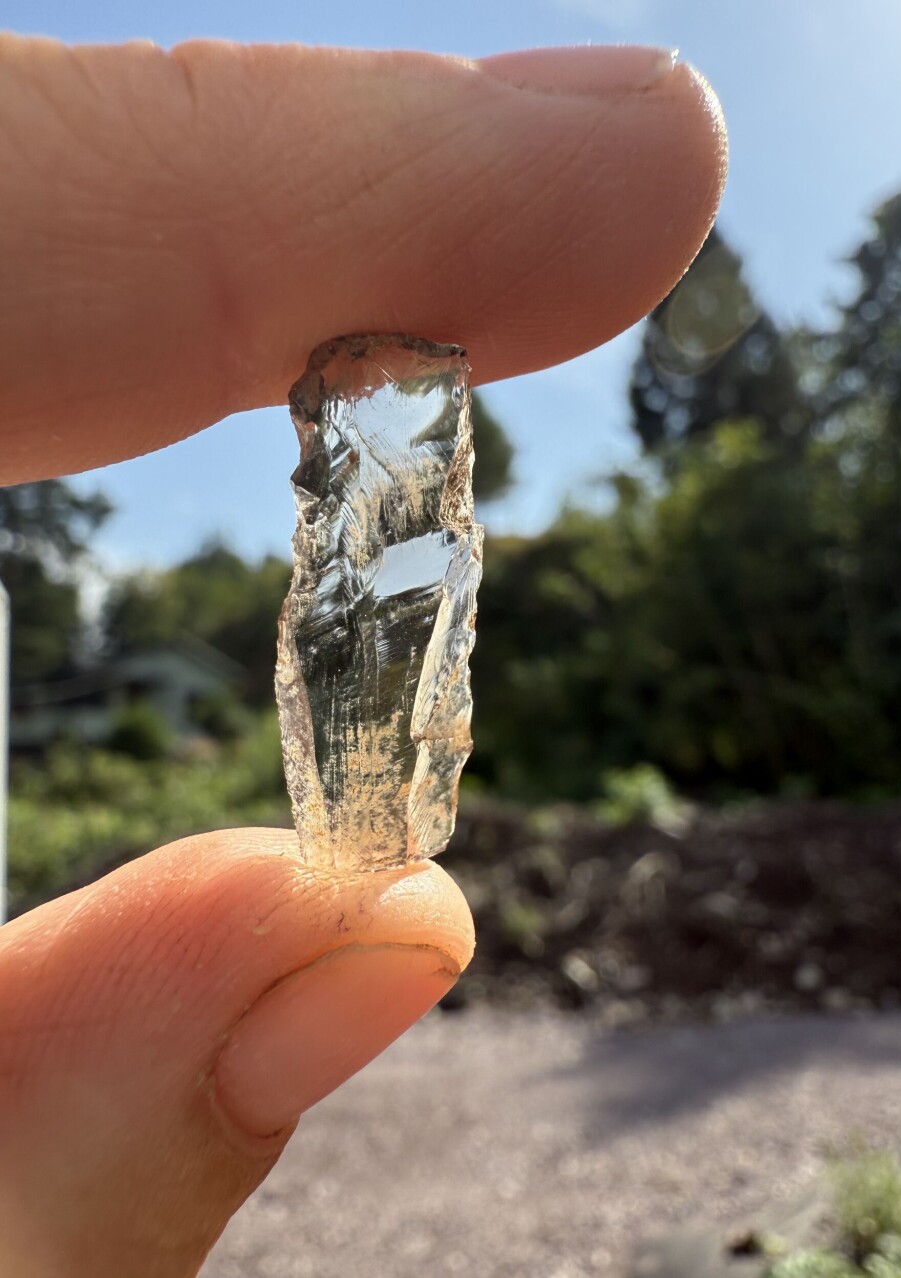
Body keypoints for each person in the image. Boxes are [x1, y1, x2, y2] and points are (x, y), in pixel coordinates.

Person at [0, 36, 727, 1277]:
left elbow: (408, 587)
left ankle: (368, 835)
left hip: (374, 811)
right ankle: (362, 837)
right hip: (352, 818)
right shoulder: (366, 475)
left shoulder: (410, 498)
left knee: (394, 632)